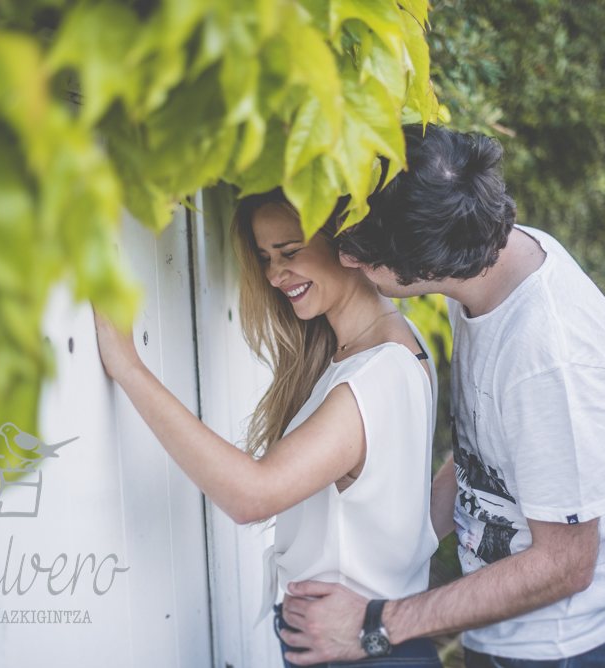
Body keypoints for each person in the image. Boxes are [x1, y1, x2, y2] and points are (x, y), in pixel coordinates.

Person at [278, 126, 605, 667]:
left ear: (426, 262)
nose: (347, 261)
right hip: (507, 634)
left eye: (365, 256)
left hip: (583, 647)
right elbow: (485, 460)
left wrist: (374, 625)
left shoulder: (552, 359)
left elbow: (565, 564)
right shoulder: (483, 265)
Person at [94, 188, 443, 667]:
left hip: (360, 652)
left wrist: (129, 367)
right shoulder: (397, 345)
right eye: (264, 258)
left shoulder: (375, 375)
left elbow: (252, 495)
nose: (276, 274)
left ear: (347, 244)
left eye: (290, 251)